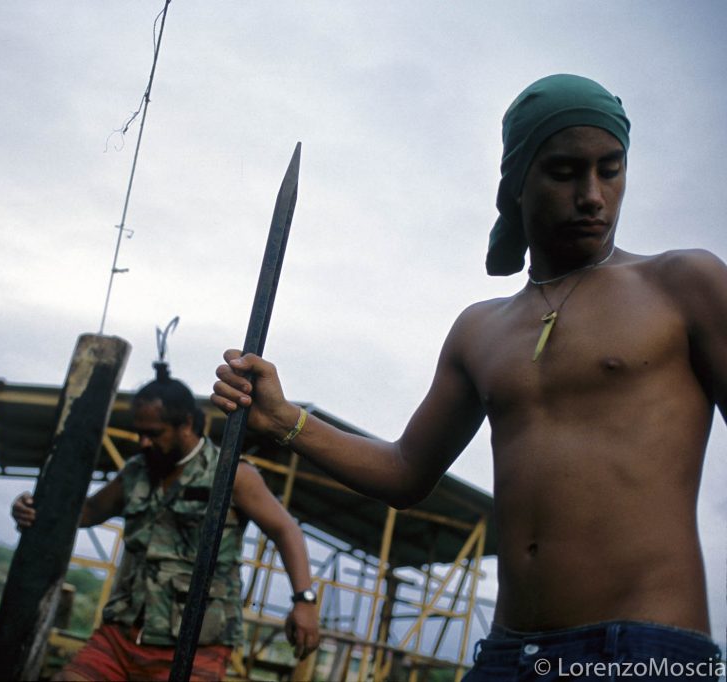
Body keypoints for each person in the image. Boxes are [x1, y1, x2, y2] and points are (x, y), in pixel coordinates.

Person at [212, 74, 725, 680]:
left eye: (610, 170)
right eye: (564, 172)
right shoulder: (481, 330)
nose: (592, 195)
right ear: (516, 185)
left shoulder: (683, 286)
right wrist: (284, 419)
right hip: (508, 656)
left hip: (642, 651)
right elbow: (406, 471)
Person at [12, 364, 321, 681]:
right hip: (122, 633)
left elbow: (285, 529)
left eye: (154, 433)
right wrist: (35, 508)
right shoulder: (136, 471)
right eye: (140, 432)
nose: (144, 442)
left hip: (197, 643)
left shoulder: (232, 474)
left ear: (185, 423)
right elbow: (87, 512)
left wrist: (304, 600)